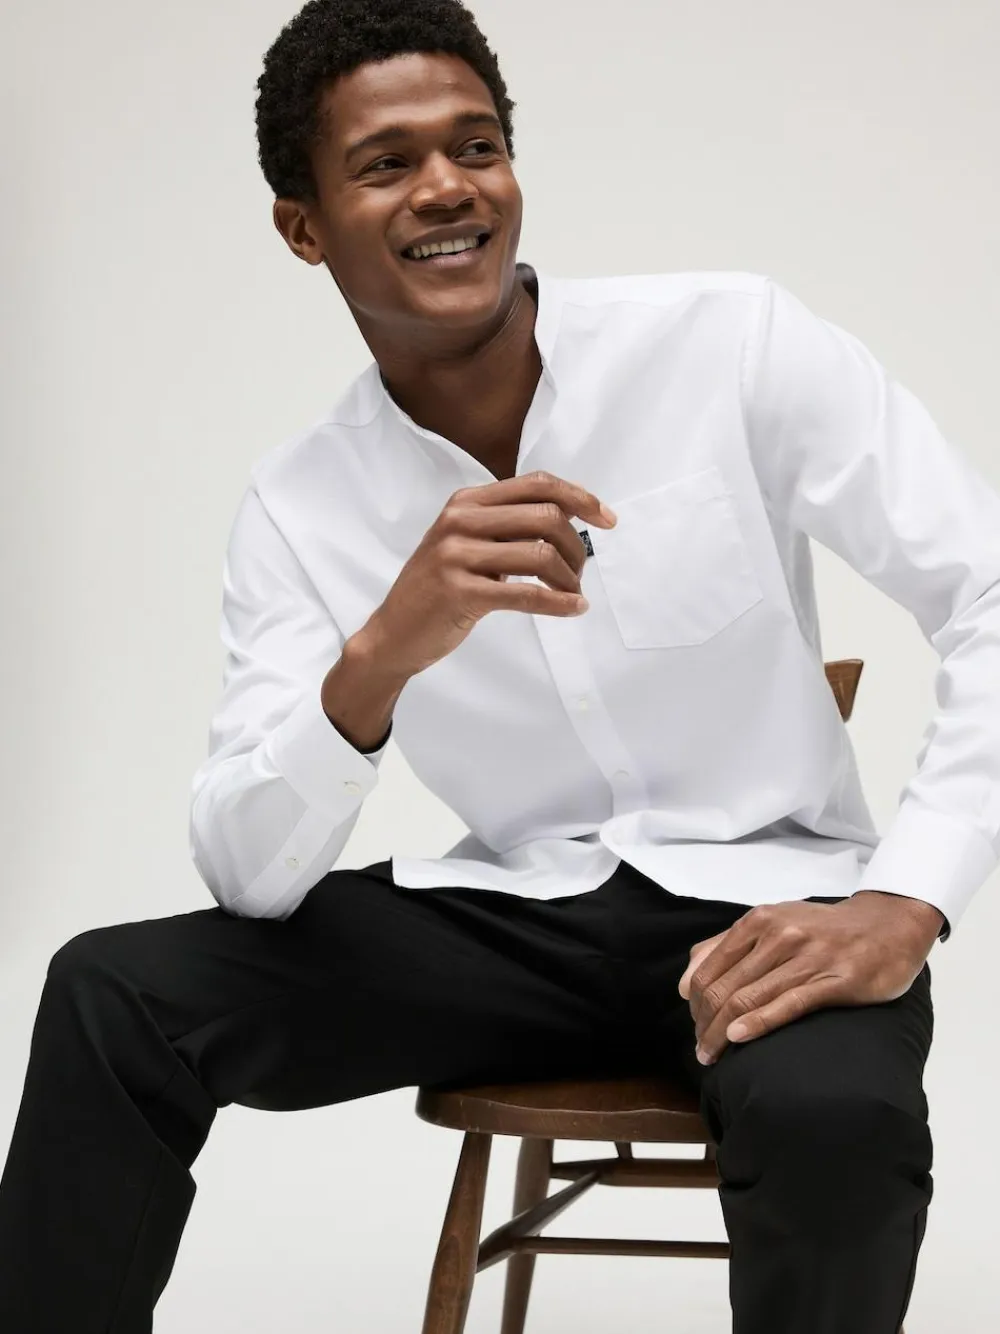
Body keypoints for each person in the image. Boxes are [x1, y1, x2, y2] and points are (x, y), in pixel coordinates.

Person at [3, 0, 1000, 1329]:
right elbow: (247, 873)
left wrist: (904, 901)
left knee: (837, 1118)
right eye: (386, 164)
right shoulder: (301, 504)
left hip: (768, 908)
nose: (447, 187)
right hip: (512, 925)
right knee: (113, 994)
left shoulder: (728, 344)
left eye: (475, 146)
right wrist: (384, 651)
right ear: (304, 228)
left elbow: (987, 588)